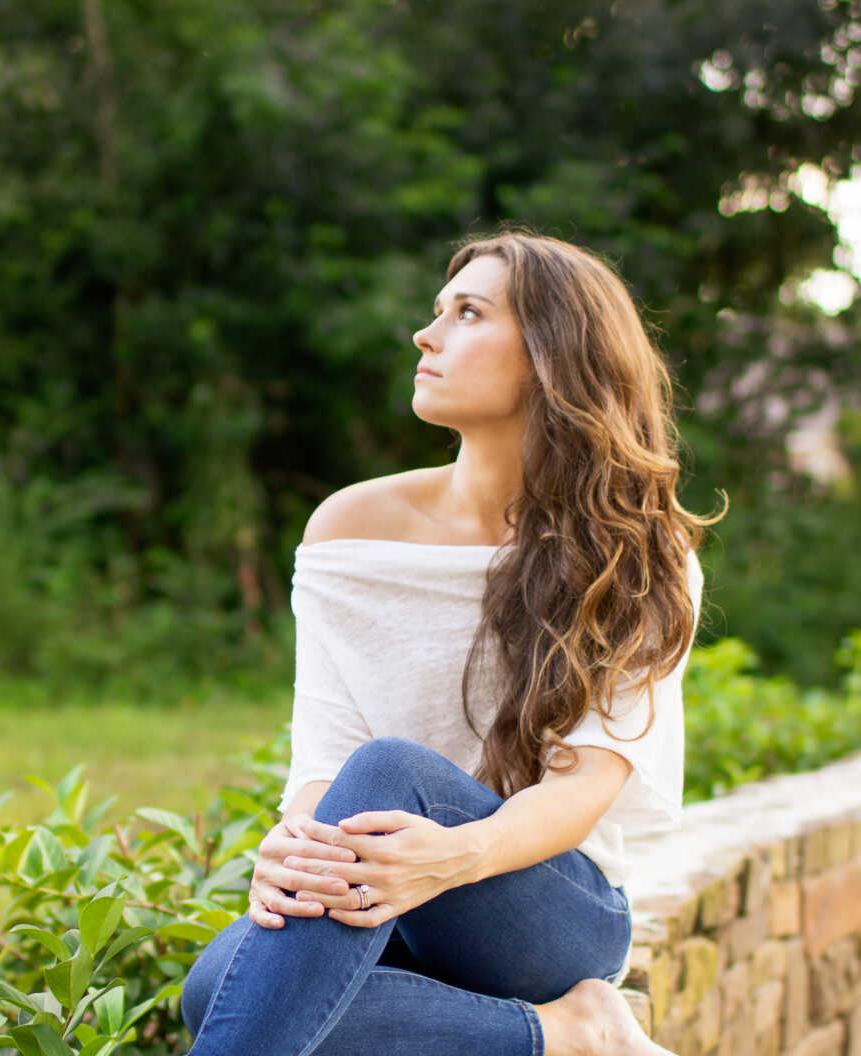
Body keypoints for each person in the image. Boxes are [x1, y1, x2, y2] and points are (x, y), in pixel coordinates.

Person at [180, 230, 727, 1055]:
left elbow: (580, 790)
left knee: (394, 774)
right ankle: (568, 1033)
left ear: (553, 354)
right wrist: (298, 851)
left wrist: (452, 857)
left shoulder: (637, 551)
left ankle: (554, 1001)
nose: (425, 334)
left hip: (543, 910)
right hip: (389, 884)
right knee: (215, 990)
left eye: (467, 313)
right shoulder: (349, 531)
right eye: (437, 310)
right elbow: (324, 759)